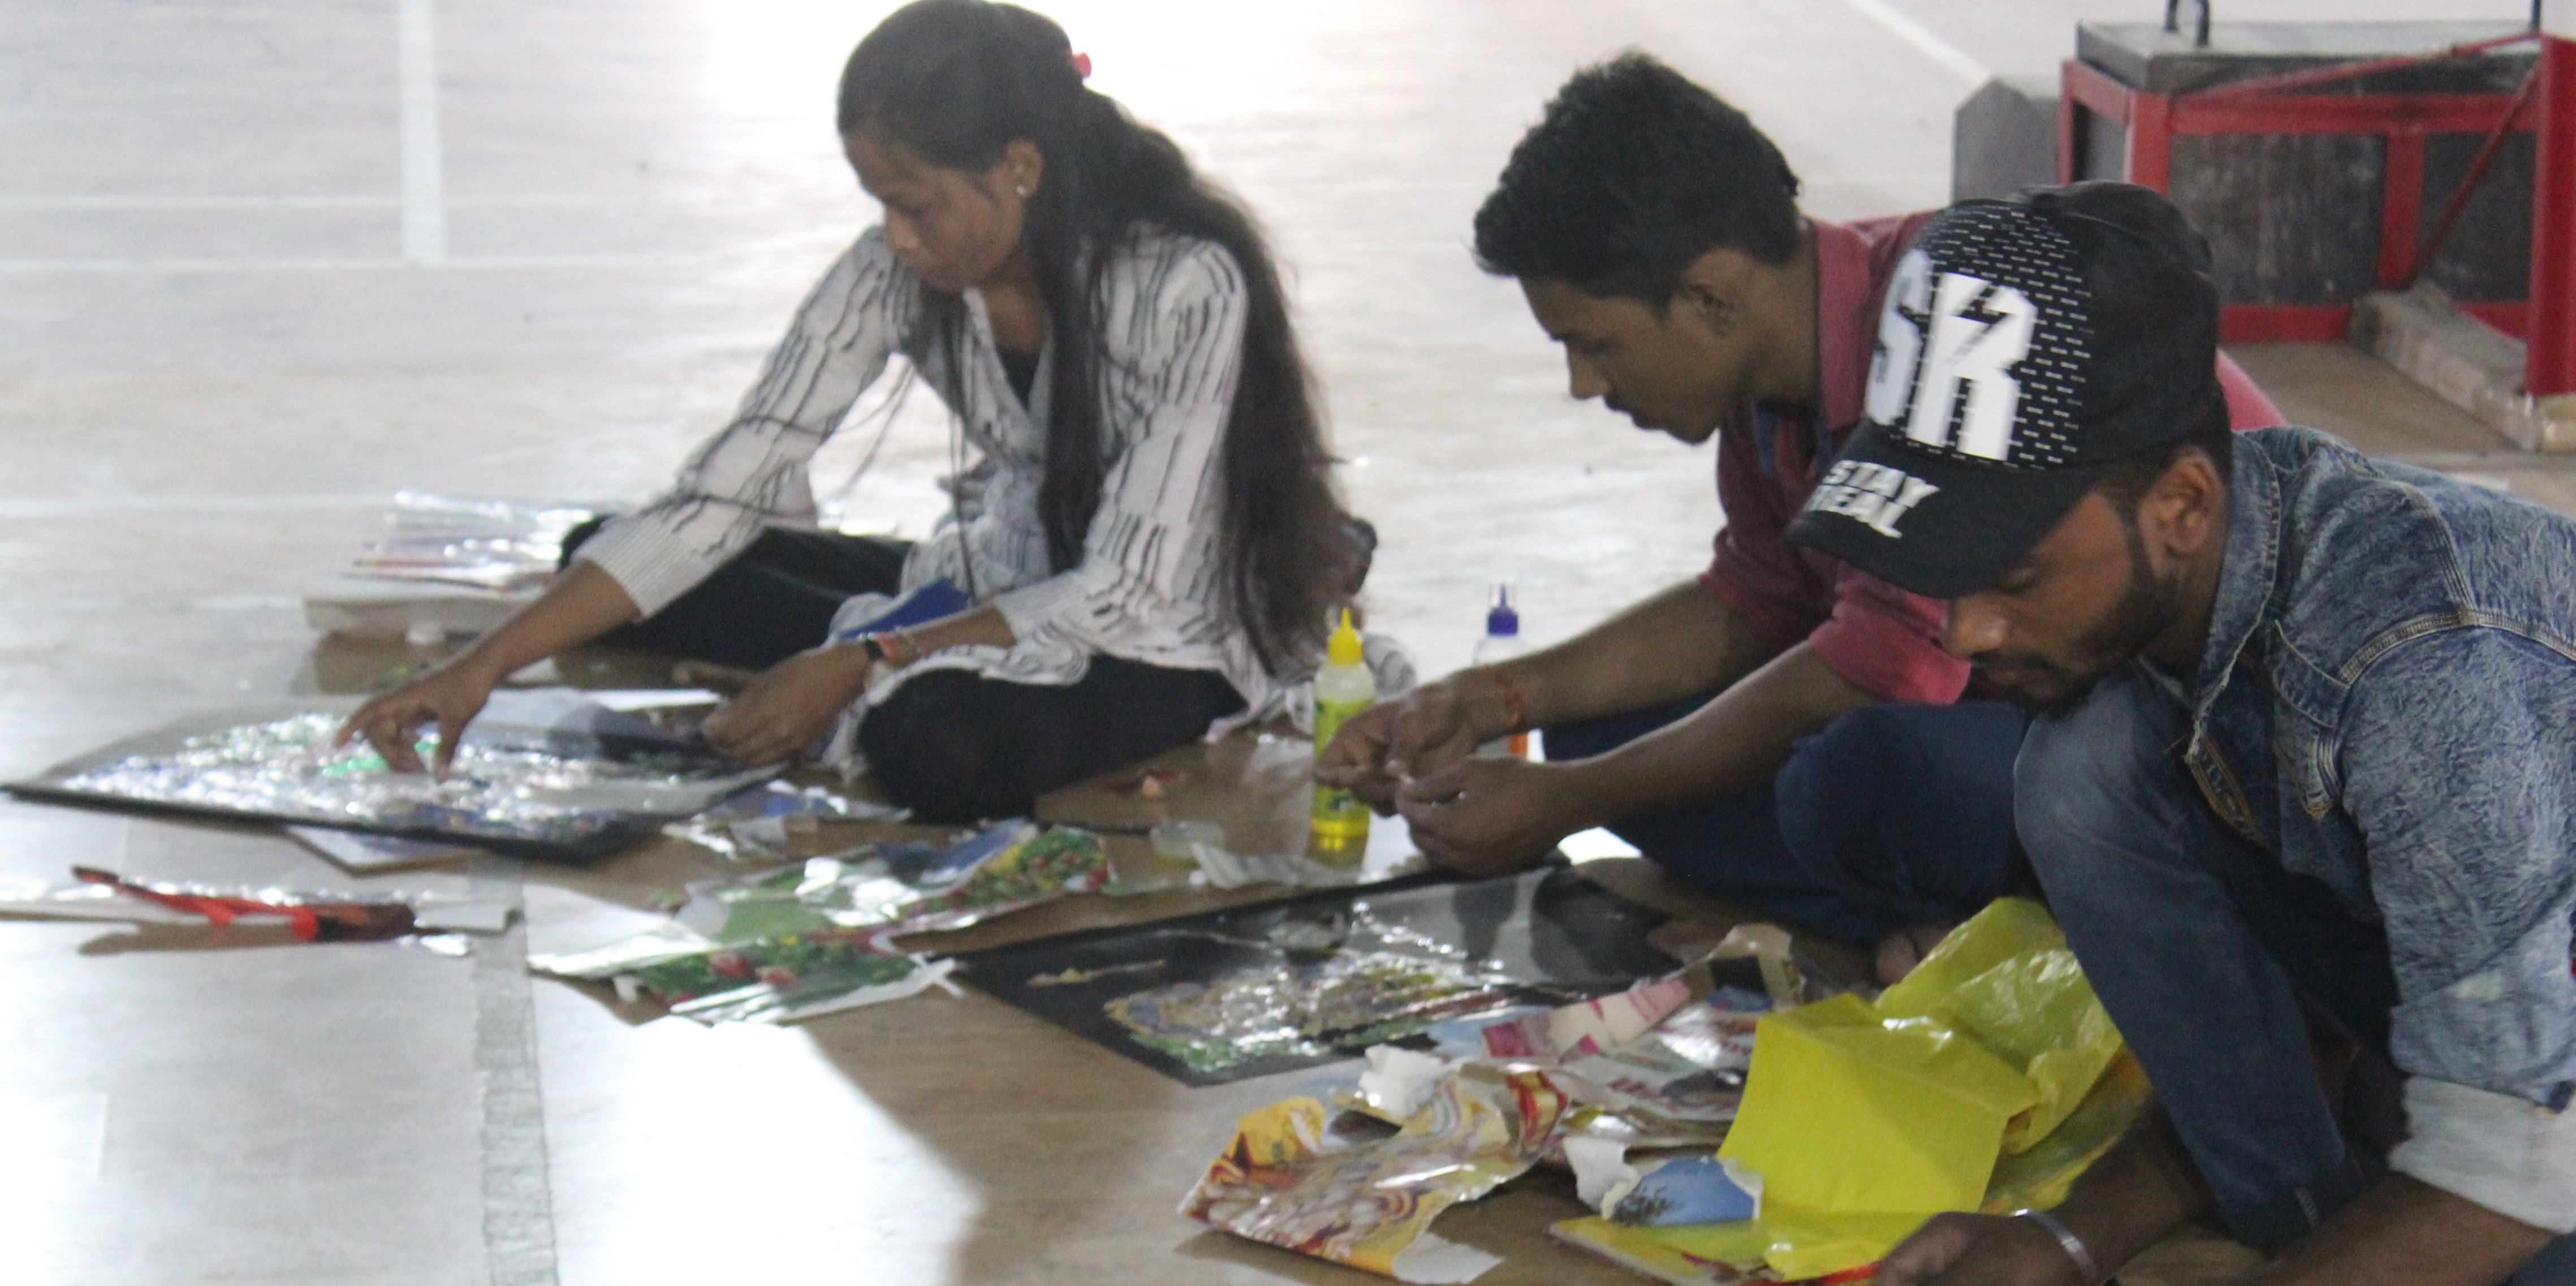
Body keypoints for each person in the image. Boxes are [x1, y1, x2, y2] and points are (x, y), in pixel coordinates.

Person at [1804, 185, 2576, 1286]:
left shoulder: (2416, 668)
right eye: (1941, 571)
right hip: (2533, 1093)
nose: (1960, 629)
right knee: (2078, 773)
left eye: (2011, 572)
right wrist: (2072, 1238)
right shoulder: (2201, 612)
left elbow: (2508, 1162)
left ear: (2176, 502)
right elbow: (2340, 1013)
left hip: (2539, 1140)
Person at [1315, 55, 2277, 981]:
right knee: (1595, 728)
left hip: (2184, 739)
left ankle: (2036, 933)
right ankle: (1940, 917)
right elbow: (1753, 602)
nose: (1582, 384)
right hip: (2004, 712)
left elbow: (1888, 669)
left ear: (1708, 298)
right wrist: (1491, 701)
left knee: (1863, 772)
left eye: (1596, 344)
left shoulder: (1945, 329)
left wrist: (1573, 803)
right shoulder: (1774, 378)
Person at [346, 0, 1352, 822]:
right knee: (612, 555)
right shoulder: (897, 270)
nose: (897, 237)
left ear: (1020, 169)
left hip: (1163, 630)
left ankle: (880, 676)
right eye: (880, 203)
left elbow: (1127, 589)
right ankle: (871, 668)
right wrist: (480, 668)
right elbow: (728, 488)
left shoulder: (1181, 283)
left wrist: (863, 658)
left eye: (915, 203)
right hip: (1012, 580)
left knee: (940, 750)